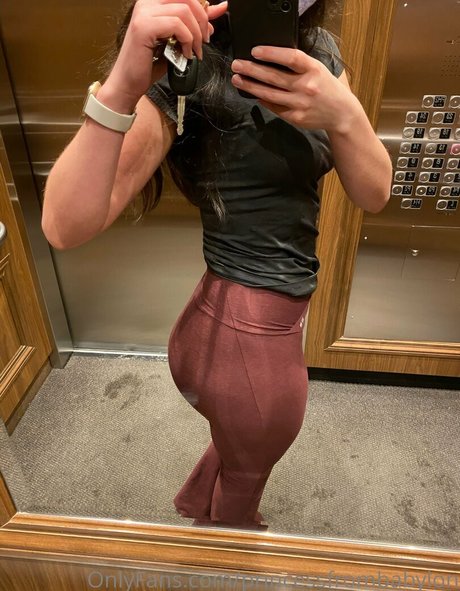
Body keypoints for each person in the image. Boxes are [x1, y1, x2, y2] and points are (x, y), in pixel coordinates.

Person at [41, 0, 392, 531]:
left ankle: (213, 488)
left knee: (238, 450)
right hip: (248, 353)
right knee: (239, 503)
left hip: (236, 333)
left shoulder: (316, 49)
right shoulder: (186, 65)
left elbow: (375, 192)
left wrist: (344, 115)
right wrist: (121, 87)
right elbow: (63, 226)